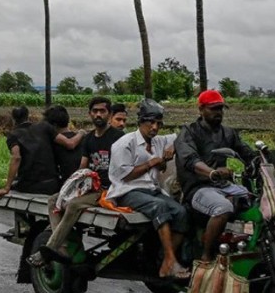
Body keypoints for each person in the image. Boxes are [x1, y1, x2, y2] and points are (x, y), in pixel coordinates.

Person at [29, 97, 123, 266]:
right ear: (90, 114)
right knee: (54, 201)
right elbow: (83, 166)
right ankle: (62, 248)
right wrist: (70, 187)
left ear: (109, 114)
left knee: (73, 205)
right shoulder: (88, 139)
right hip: (90, 186)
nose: (98, 114)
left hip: (108, 189)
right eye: (95, 111)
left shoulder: (118, 137)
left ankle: (49, 249)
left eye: (102, 111)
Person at [107, 99, 189, 279]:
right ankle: (170, 260)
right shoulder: (124, 143)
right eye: (150, 122)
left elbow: (185, 132)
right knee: (159, 206)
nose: (154, 127)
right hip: (128, 191)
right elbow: (124, 176)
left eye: (158, 124)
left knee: (182, 212)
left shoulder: (159, 141)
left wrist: (173, 146)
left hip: (151, 190)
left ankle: (164, 259)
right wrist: (151, 163)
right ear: (140, 122)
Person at [174, 89, 258, 261]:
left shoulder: (228, 133)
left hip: (223, 187)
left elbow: (246, 153)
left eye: (220, 108)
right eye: (213, 109)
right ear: (201, 109)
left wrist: (264, 161)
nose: (218, 112)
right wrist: (212, 173)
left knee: (259, 203)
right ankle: (206, 256)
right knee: (223, 207)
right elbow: (190, 160)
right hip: (197, 188)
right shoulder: (189, 132)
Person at [0, 106, 85, 198]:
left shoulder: (13, 135)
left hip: (30, 185)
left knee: (15, 187)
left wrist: (7, 187)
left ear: (13, 119)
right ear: (28, 116)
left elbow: (16, 157)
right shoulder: (44, 127)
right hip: (52, 184)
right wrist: (81, 132)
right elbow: (70, 143)